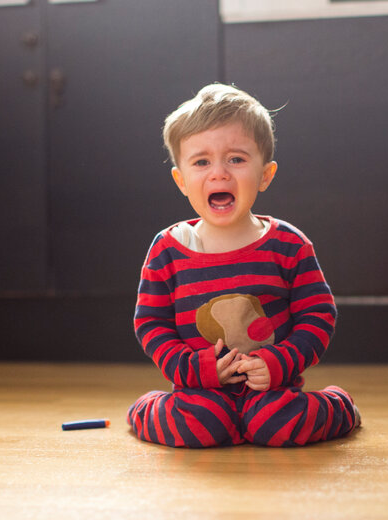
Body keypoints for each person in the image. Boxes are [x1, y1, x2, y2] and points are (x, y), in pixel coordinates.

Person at [127, 83, 360, 447]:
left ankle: (338, 406)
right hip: (200, 388)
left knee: (277, 425)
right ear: (182, 181)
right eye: (201, 162)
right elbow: (152, 324)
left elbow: (317, 316)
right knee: (198, 427)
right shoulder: (168, 250)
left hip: (272, 388)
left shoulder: (288, 244)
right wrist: (194, 370)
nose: (218, 173)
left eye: (236, 159)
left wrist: (279, 362)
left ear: (265, 175)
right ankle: (146, 407)